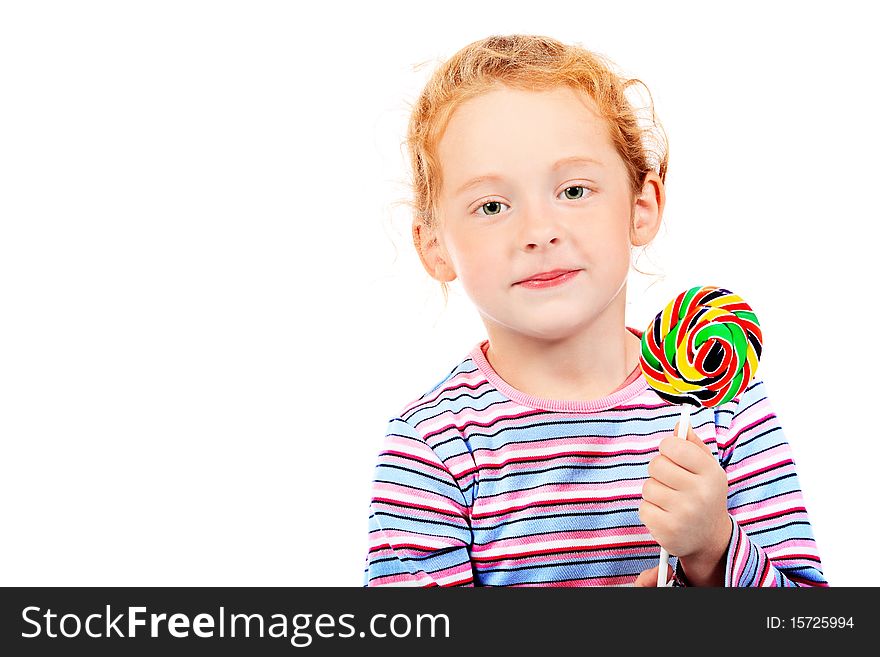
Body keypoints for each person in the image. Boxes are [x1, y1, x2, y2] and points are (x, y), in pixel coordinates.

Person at [363, 34, 826, 587]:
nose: (539, 232)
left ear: (641, 205)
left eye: (574, 191)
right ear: (434, 245)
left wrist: (713, 549)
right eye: (491, 205)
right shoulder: (432, 448)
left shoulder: (721, 408)